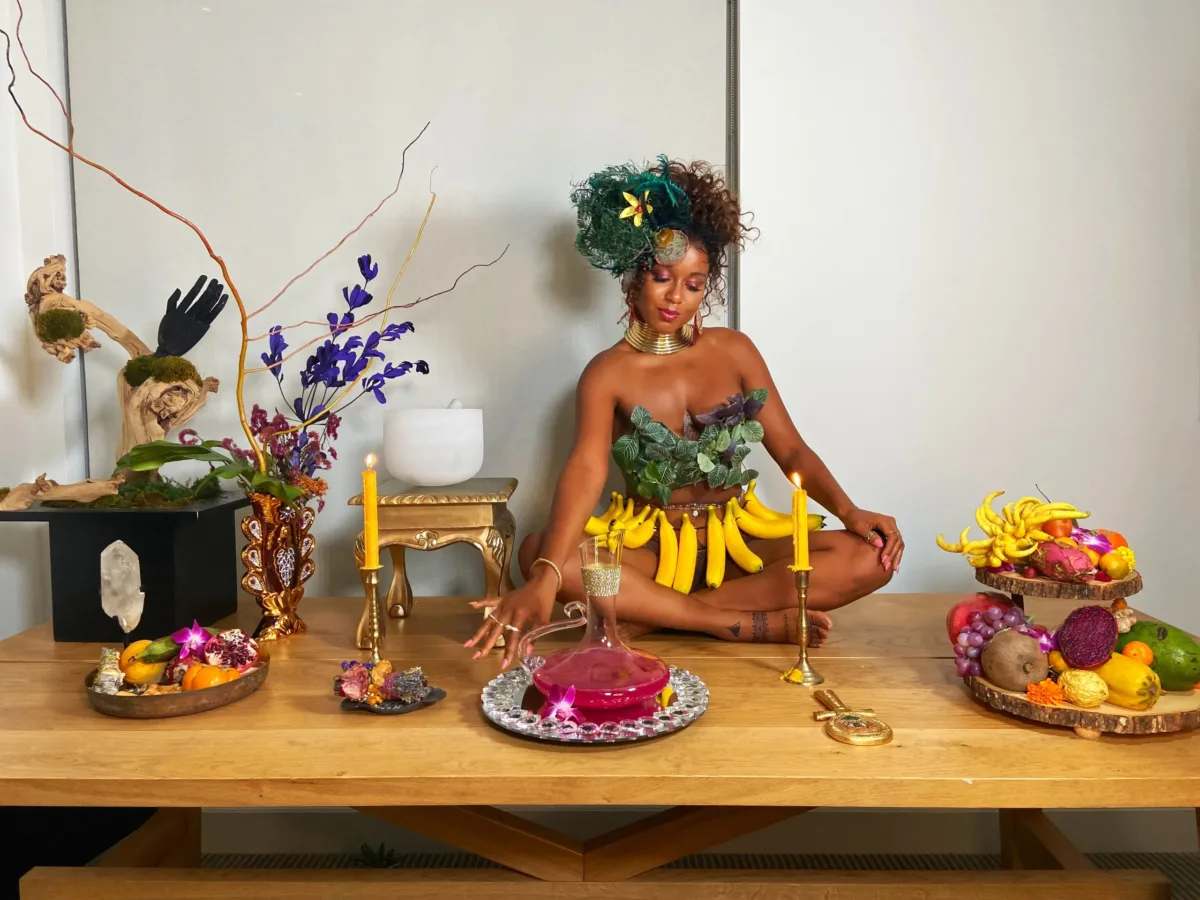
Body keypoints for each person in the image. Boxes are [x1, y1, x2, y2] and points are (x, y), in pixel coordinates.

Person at [466, 156, 902, 668]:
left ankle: (655, 618)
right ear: (635, 278)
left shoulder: (735, 351)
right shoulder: (607, 373)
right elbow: (586, 469)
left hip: (739, 545)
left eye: (694, 284)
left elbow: (790, 448)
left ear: (708, 287)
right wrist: (545, 575)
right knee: (543, 552)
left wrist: (851, 513)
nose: (676, 297)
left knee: (871, 557)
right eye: (662, 277)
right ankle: (733, 625)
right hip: (650, 549)